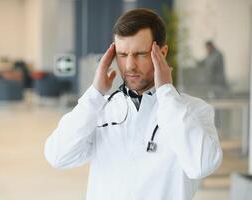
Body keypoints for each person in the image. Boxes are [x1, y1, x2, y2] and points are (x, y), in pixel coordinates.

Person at [44, 8, 223, 200]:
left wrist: (166, 92)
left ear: (161, 53)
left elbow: (202, 165)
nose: (129, 66)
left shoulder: (194, 110)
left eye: (140, 54)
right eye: (122, 55)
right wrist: (94, 94)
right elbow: (58, 156)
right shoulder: (100, 109)